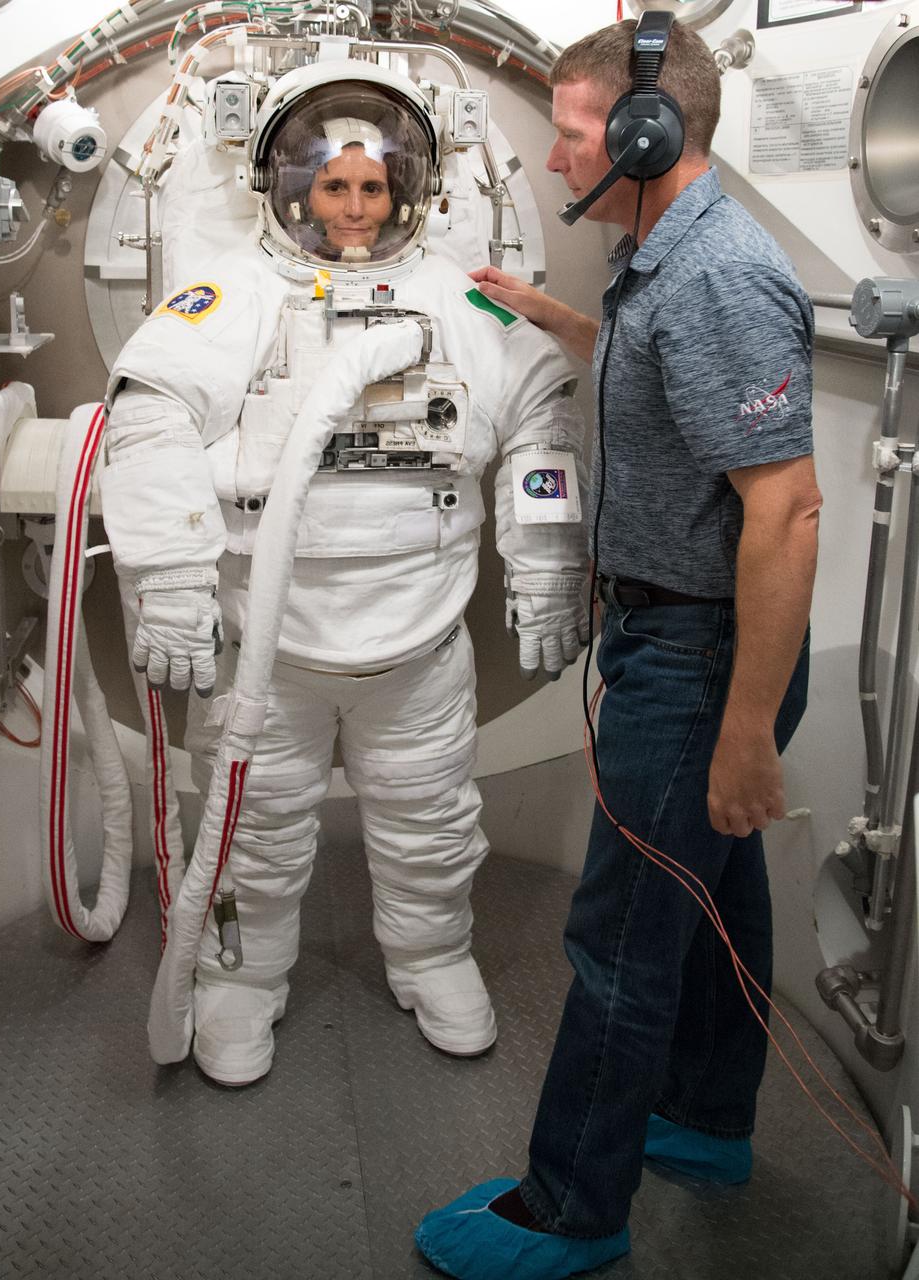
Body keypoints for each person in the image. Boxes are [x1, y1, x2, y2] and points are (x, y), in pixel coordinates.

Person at [415, 18, 820, 1279]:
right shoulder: (661, 264)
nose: (555, 160)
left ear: (648, 133)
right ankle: (703, 1118)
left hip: (702, 659)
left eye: (573, 134)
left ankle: (570, 1209)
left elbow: (788, 509)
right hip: (683, 643)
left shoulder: (717, 276)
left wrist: (743, 729)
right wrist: (549, 316)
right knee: (716, 901)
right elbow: (662, 382)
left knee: (621, 934)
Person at [96, 60, 589, 1085]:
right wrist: (174, 580)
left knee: (429, 823)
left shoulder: (455, 294)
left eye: (371, 185)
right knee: (252, 832)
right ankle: (241, 979)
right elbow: (148, 416)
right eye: (334, 186)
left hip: (417, 641)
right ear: (291, 186)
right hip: (268, 643)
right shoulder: (235, 290)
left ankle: (432, 957)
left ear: (404, 188)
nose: (355, 207)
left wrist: (545, 565)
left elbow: (542, 419)